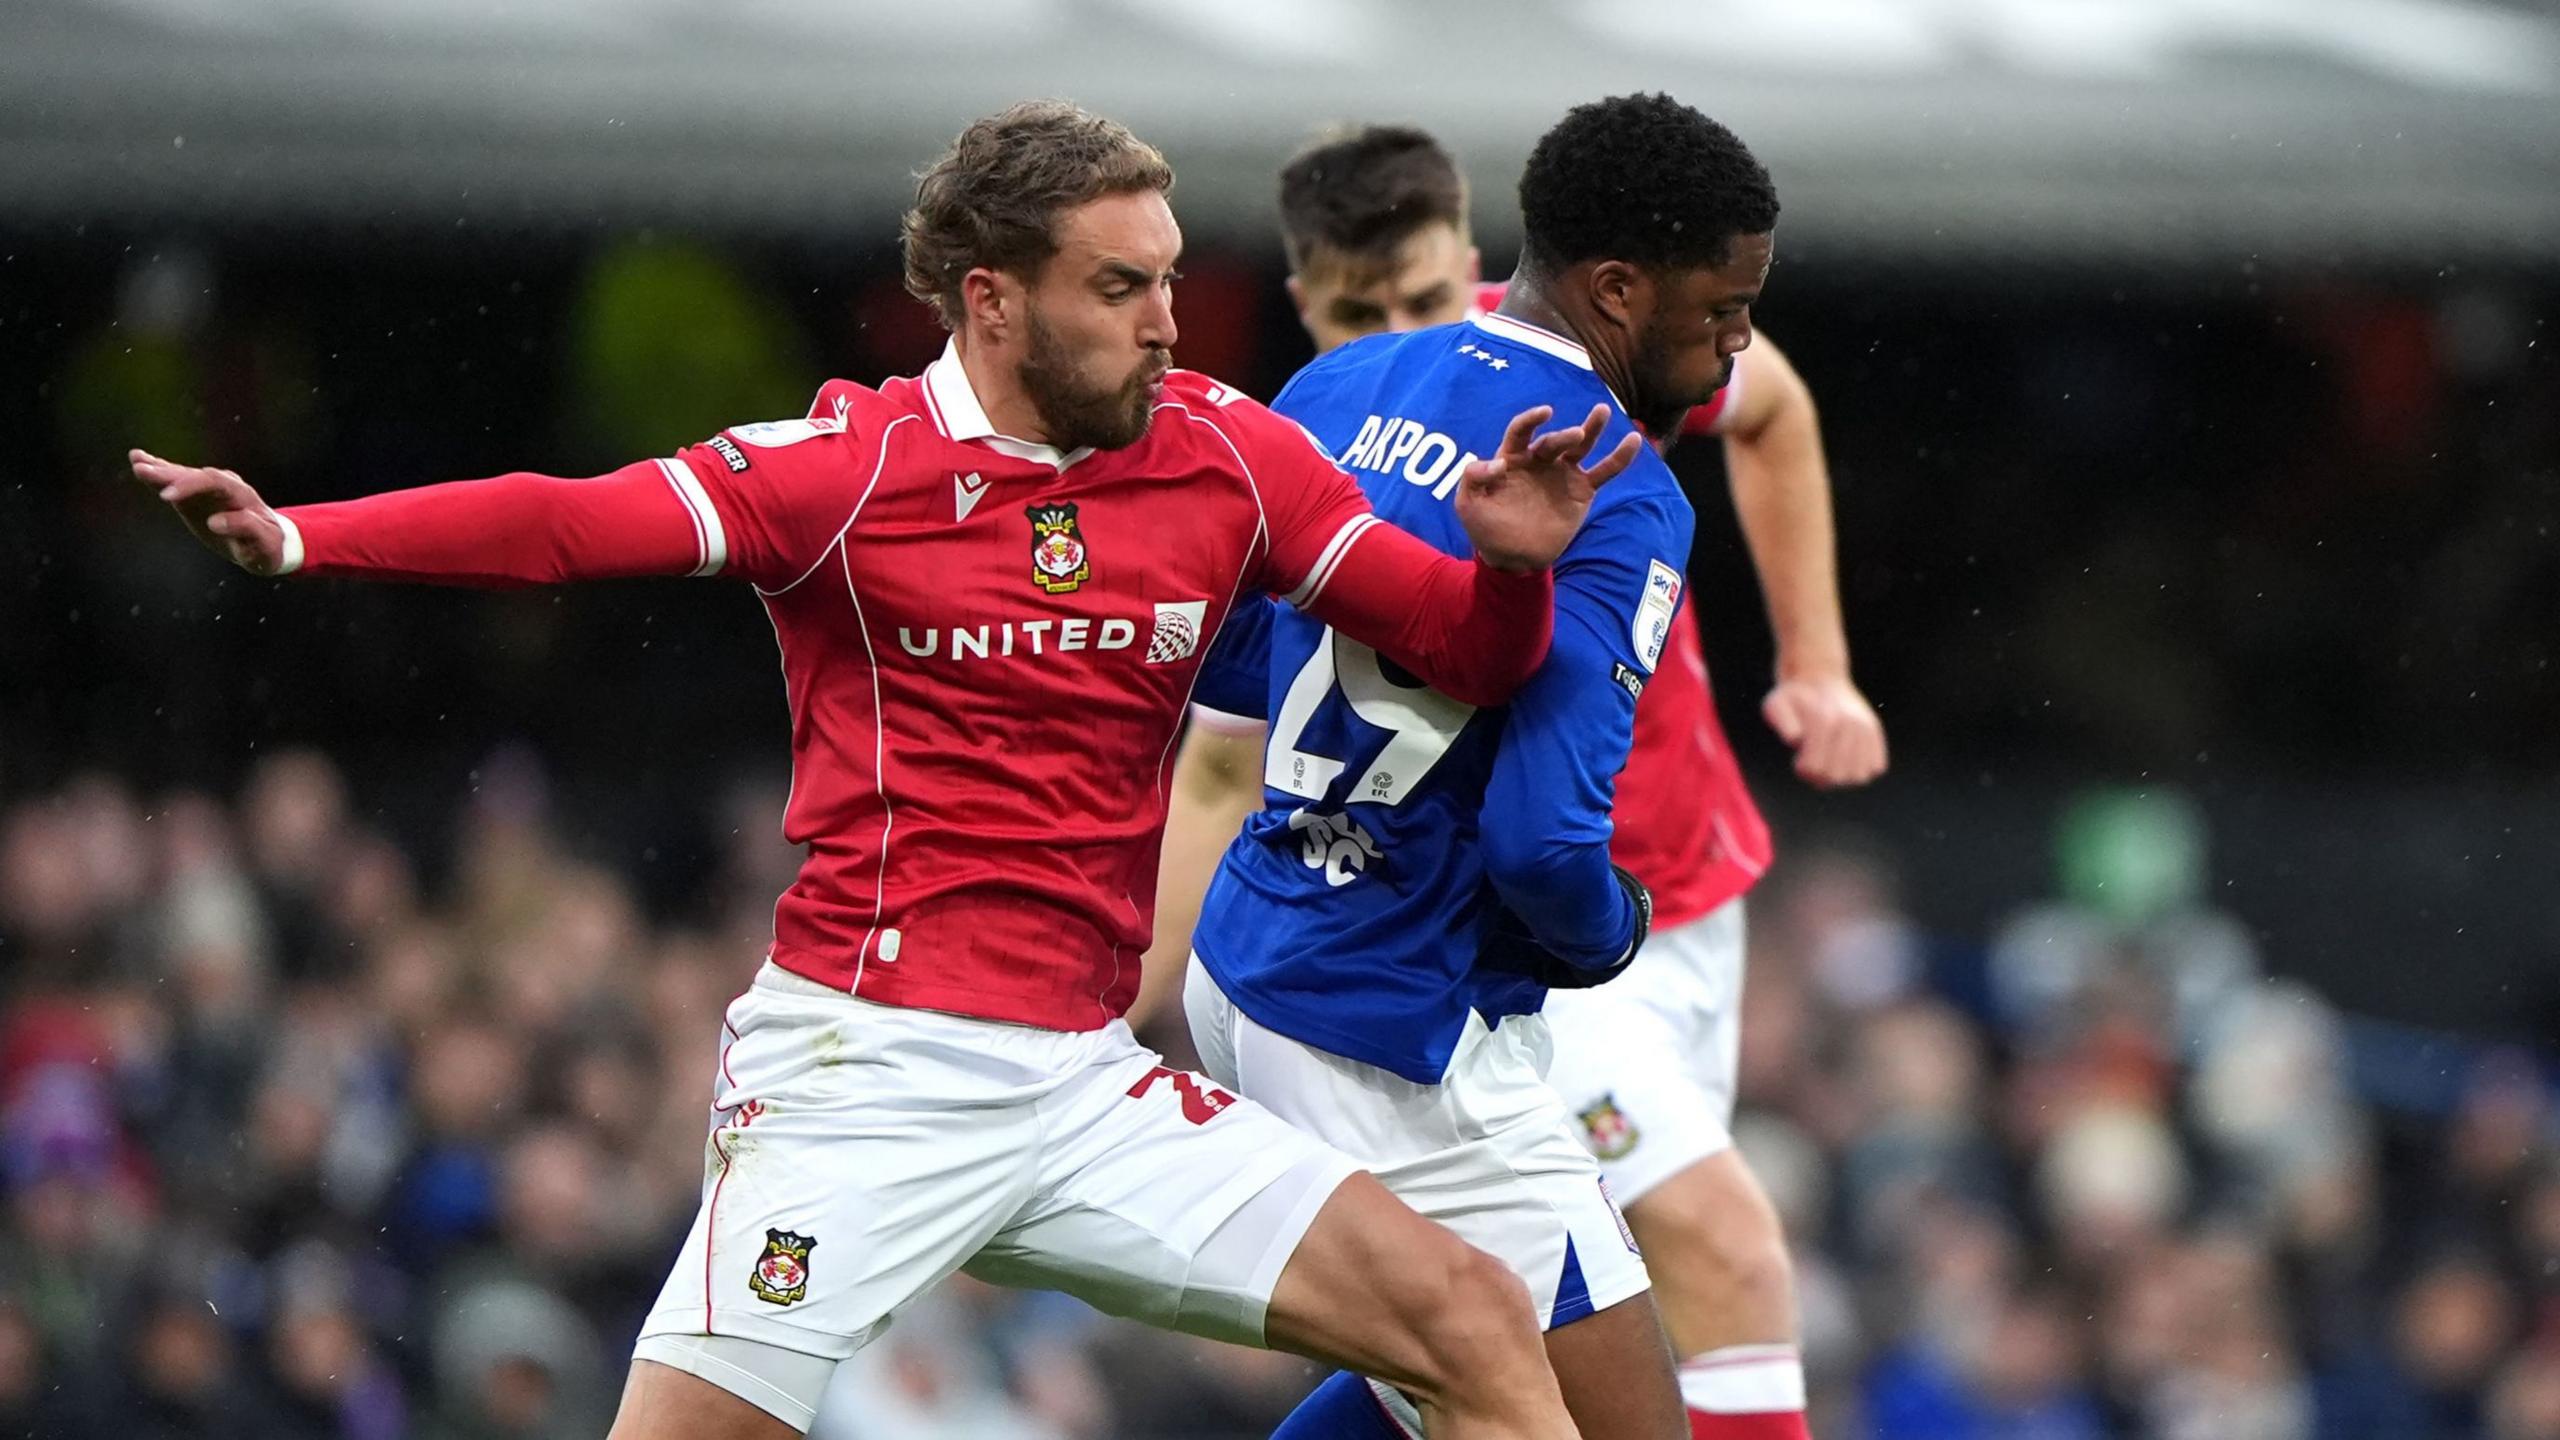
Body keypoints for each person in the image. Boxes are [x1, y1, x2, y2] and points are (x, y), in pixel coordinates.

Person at [128, 101, 1649, 1440]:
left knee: (1468, 1320)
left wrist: (1514, 573)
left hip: (1086, 1082)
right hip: (870, 1076)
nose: (1170, 323)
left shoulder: (1224, 453)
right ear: (994, 301)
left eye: (1171, 278)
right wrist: (303, 535)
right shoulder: (847, 472)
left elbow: (1464, 645)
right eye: (1122, 289)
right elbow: (566, 521)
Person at [1146, 117, 1886, 1440]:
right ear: (1618, 291)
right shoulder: (1620, 492)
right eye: (1725, 311)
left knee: (1458, 1363)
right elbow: (1543, 848)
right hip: (1398, 1020)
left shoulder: (1334, 389)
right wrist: (1617, 931)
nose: (1734, 345)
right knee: (1619, 1409)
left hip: (1263, 951)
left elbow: (1242, 675)